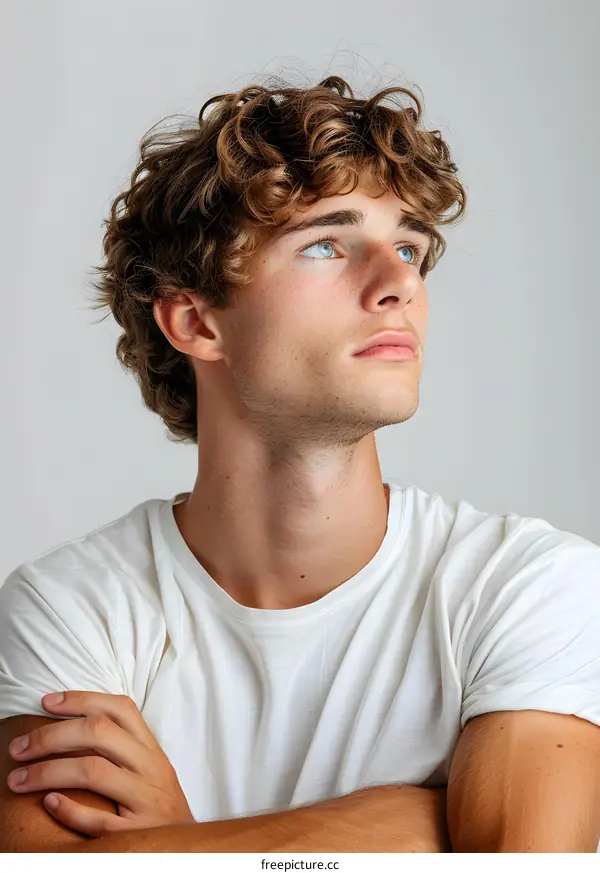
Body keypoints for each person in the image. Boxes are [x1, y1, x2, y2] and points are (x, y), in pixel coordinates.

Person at [1, 74, 600, 854]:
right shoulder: (72, 608)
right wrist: (414, 824)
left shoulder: (528, 588)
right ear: (196, 321)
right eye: (327, 244)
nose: (400, 283)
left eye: (410, 247)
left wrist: (182, 843)